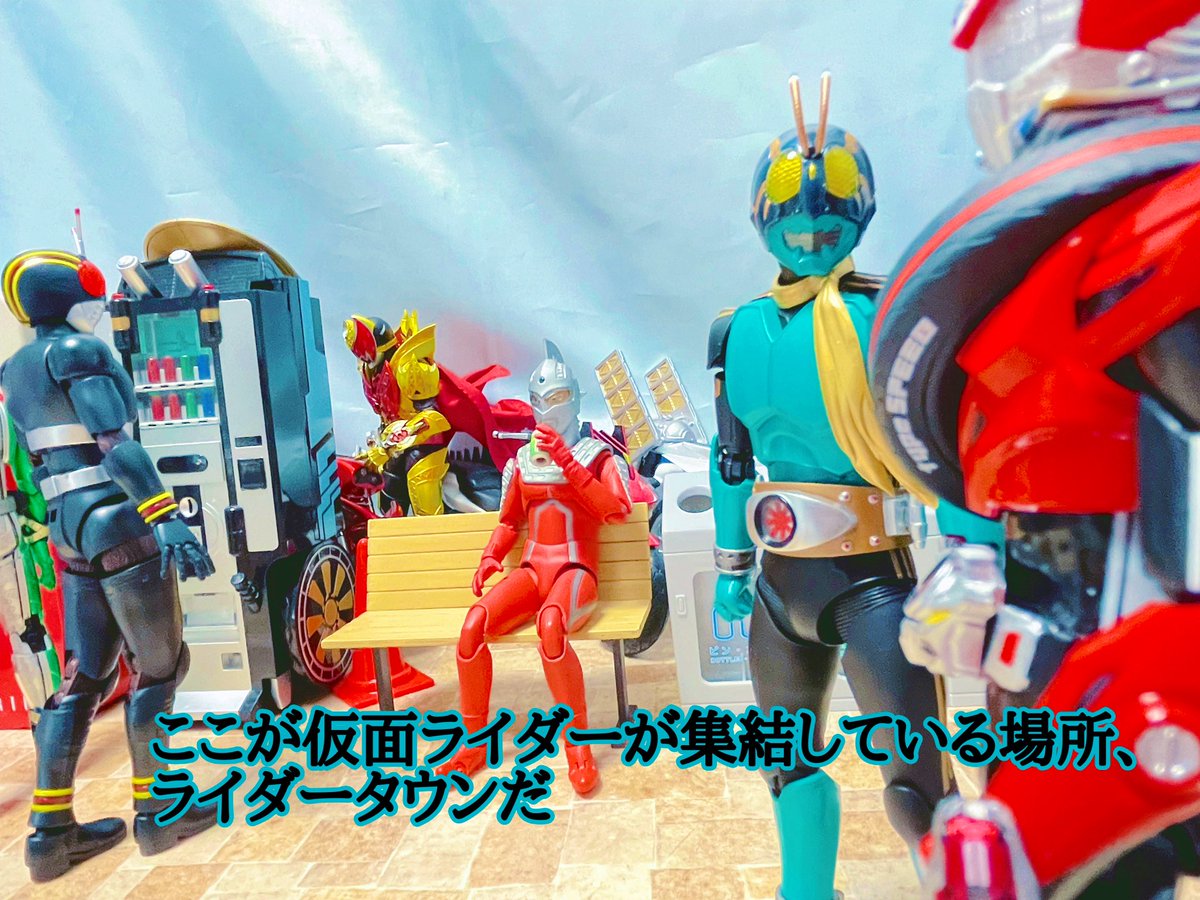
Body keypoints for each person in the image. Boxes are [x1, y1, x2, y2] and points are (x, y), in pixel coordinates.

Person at [1, 246, 219, 882]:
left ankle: (49, 836)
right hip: (116, 517)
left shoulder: (16, 368)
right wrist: (164, 514)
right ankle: (159, 814)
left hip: (68, 527)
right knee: (159, 669)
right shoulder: (78, 352)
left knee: (84, 678)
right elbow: (114, 444)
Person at [437, 341, 632, 794]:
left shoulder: (597, 456)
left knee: (551, 627)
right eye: (540, 399)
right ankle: (473, 743)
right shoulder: (522, 462)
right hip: (531, 568)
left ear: (575, 398)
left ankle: (578, 745)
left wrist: (567, 462)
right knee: (472, 627)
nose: (548, 408)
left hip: (575, 570)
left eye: (558, 397)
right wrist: (490, 555)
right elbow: (509, 520)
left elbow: (616, 510)